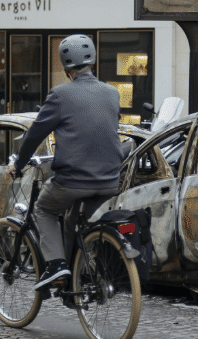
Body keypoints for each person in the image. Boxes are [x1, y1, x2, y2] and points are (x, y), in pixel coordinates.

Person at [8, 34, 123, 290]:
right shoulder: (113, 93)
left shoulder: (60, 94)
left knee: (44, 209)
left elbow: (35, 133)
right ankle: (73, 282)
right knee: (72, 220)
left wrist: (18, 164)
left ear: (65, 66)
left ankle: (56, 265)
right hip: (109, 181)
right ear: (92, 61)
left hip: (73, 181)